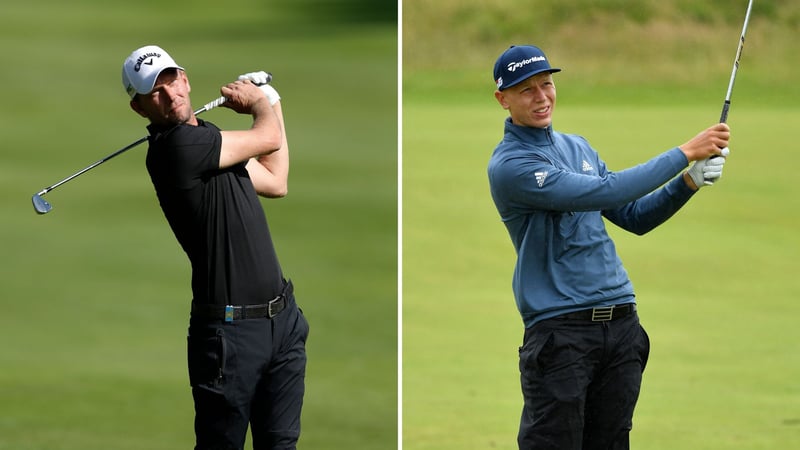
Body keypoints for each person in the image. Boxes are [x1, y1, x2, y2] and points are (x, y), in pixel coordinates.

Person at [487, 45, 730, 449]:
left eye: (546, 84)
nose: (542, 96)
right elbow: (607, 189)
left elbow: (633, 215)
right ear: (503, 99)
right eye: (526, 90)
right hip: (560, 332)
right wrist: (685, 152)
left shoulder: (578, 147)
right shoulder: (511, 166)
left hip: (621, 326)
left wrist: (688, 181)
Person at [122, 45, 309, 450]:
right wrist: (260, 102)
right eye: (155, 91)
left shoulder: (208, 140)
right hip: (229, 336)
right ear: (139, 108)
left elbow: (276, 180)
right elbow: (268, 136)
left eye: (171, 80)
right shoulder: (176, 149)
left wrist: (272, 102)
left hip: (282, 322)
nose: (170, 94)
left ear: (185, 79)